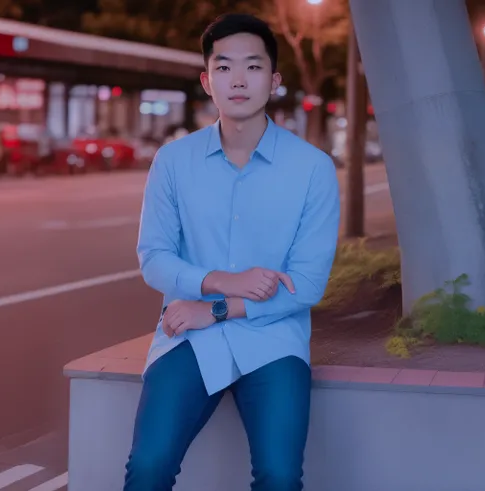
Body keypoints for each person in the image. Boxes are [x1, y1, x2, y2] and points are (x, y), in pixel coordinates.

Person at [125, 13, 340, 491]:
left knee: (280, 476)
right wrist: (222, 281)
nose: (238, 80)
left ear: (274, 79)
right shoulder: (173, 161)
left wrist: (216, 310)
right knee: (149, 466)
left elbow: (306, 285)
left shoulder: (313, 169)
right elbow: (154, 257)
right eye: (223, 68)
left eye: (253, 67)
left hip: (272, 338)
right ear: (206, 81)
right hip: (187, 338)